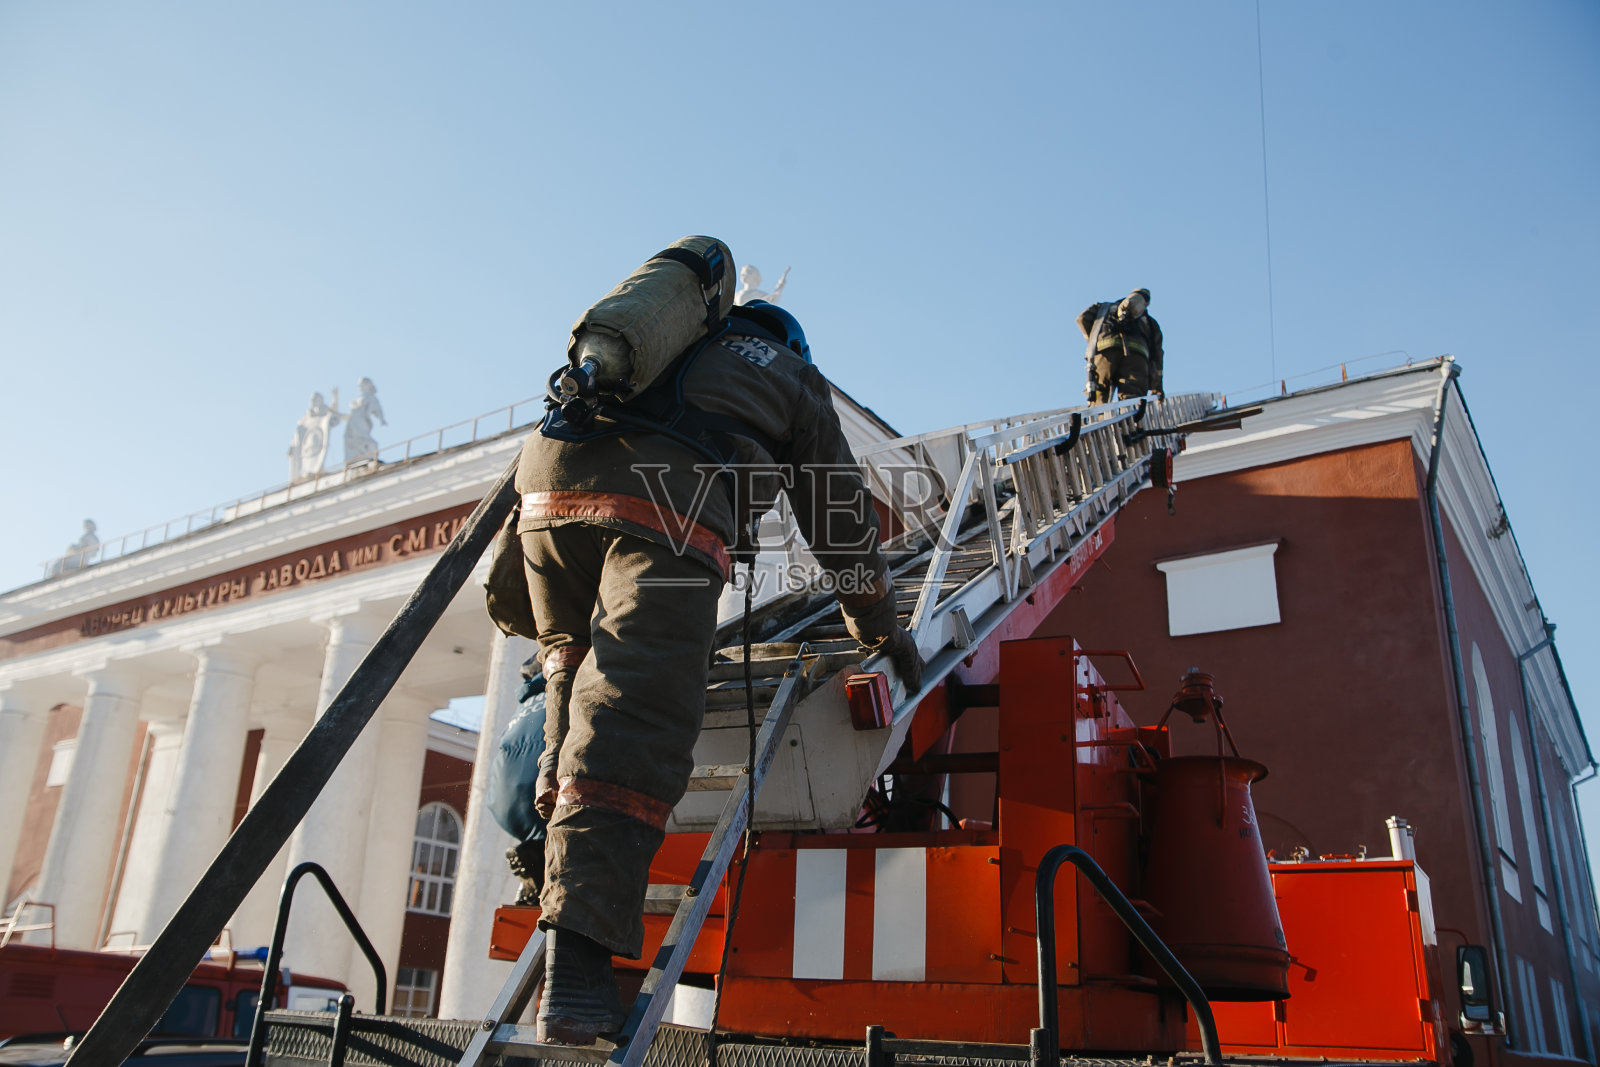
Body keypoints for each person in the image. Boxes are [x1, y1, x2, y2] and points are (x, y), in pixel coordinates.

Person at [512, 237, 921, 1045]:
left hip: (545, 495)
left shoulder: (668, 344)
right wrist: (879, 625)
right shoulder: (789, 376)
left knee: (569, 681)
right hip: (665, 502)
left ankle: (544, 853)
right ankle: (578, 972)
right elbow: (839, 518)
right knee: (634, 714)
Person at [1076, 288, 1164, 403]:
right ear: (1145, 303)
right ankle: (1130, 413)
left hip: (1106, 351)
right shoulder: (1151, 323)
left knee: (1100, 391)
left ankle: (1100, 413)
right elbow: (1157, 356)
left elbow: (1082, 318)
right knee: (1132, 396)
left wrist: (1094, 340)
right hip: (1137, 356)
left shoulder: (1104, 308)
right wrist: (1157, 387)